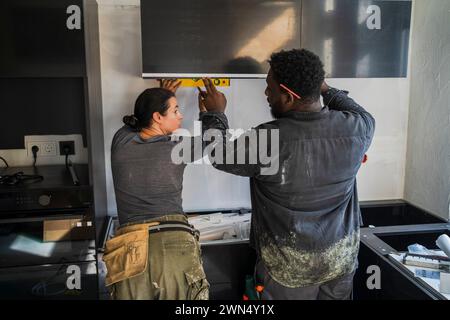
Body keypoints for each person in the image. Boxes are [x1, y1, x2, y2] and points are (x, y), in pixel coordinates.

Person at [198, 49, 375, 300]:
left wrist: (214, 113)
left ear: (289, 96)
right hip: (340, 263)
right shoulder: (359, 128)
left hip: (287, 272)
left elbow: (219, 154)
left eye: (270, 88)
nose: (266, 94)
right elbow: (359, 111)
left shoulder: (270, 140)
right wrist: (323, 89)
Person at [103, 80, 209, 300]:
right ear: (157, 117)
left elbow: (135, 124)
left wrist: (162, 96)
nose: (180, 116)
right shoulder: (176, 149)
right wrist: (213, 112)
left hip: (128, 249)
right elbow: (216, 141)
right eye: (175, 110)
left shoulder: (120, 142)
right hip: (172, 243)